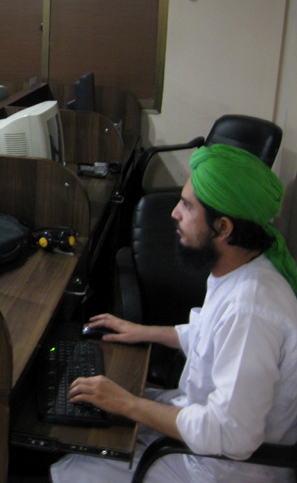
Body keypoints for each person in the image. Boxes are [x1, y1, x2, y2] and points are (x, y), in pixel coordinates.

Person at [50, 144, 297, 483]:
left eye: (187, 205)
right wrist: (143, 331)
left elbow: (231, 435)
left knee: (71, 469)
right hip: (204, 440)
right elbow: (208, 334)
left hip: (220, 469)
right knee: (90, 418)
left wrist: (129, 404)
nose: (174, 214)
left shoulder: (251, 309)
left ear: (222, 228)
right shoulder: (243, 267)